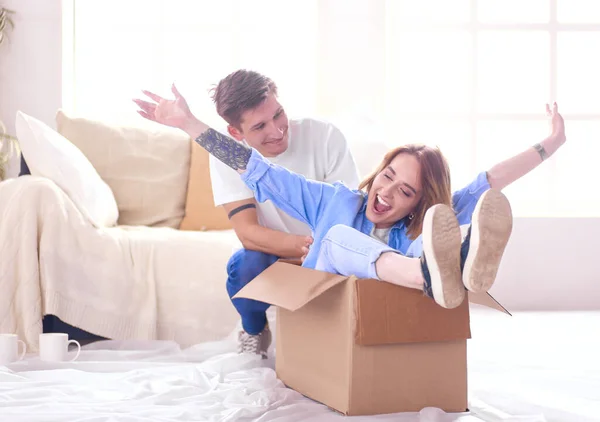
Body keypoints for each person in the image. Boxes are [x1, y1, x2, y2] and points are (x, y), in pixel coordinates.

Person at [135, 86, 567, 358]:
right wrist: (190, 125)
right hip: (328, 296)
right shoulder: (334, 202)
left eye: (406, 192)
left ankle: (455, 265)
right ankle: (431, 276)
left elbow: (489, 182)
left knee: (435, 229)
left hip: (394, 293)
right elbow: (256, 168)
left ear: (416, 201)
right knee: (342, 237)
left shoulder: (418, 225)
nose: (388, 193)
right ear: (377, 171)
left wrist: (551, 143)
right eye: (388, 176)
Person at [135, 70, 360, 355]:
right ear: (236, 134)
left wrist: (322, 249)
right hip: (284, 250)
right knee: (244, 265)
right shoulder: (237, 160)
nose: (277, 131)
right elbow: (247, 233)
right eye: (260, 126)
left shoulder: (324, 136)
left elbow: (346, 215)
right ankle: (254, 329)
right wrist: (187, 123)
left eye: (279, 115)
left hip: (331, 248)